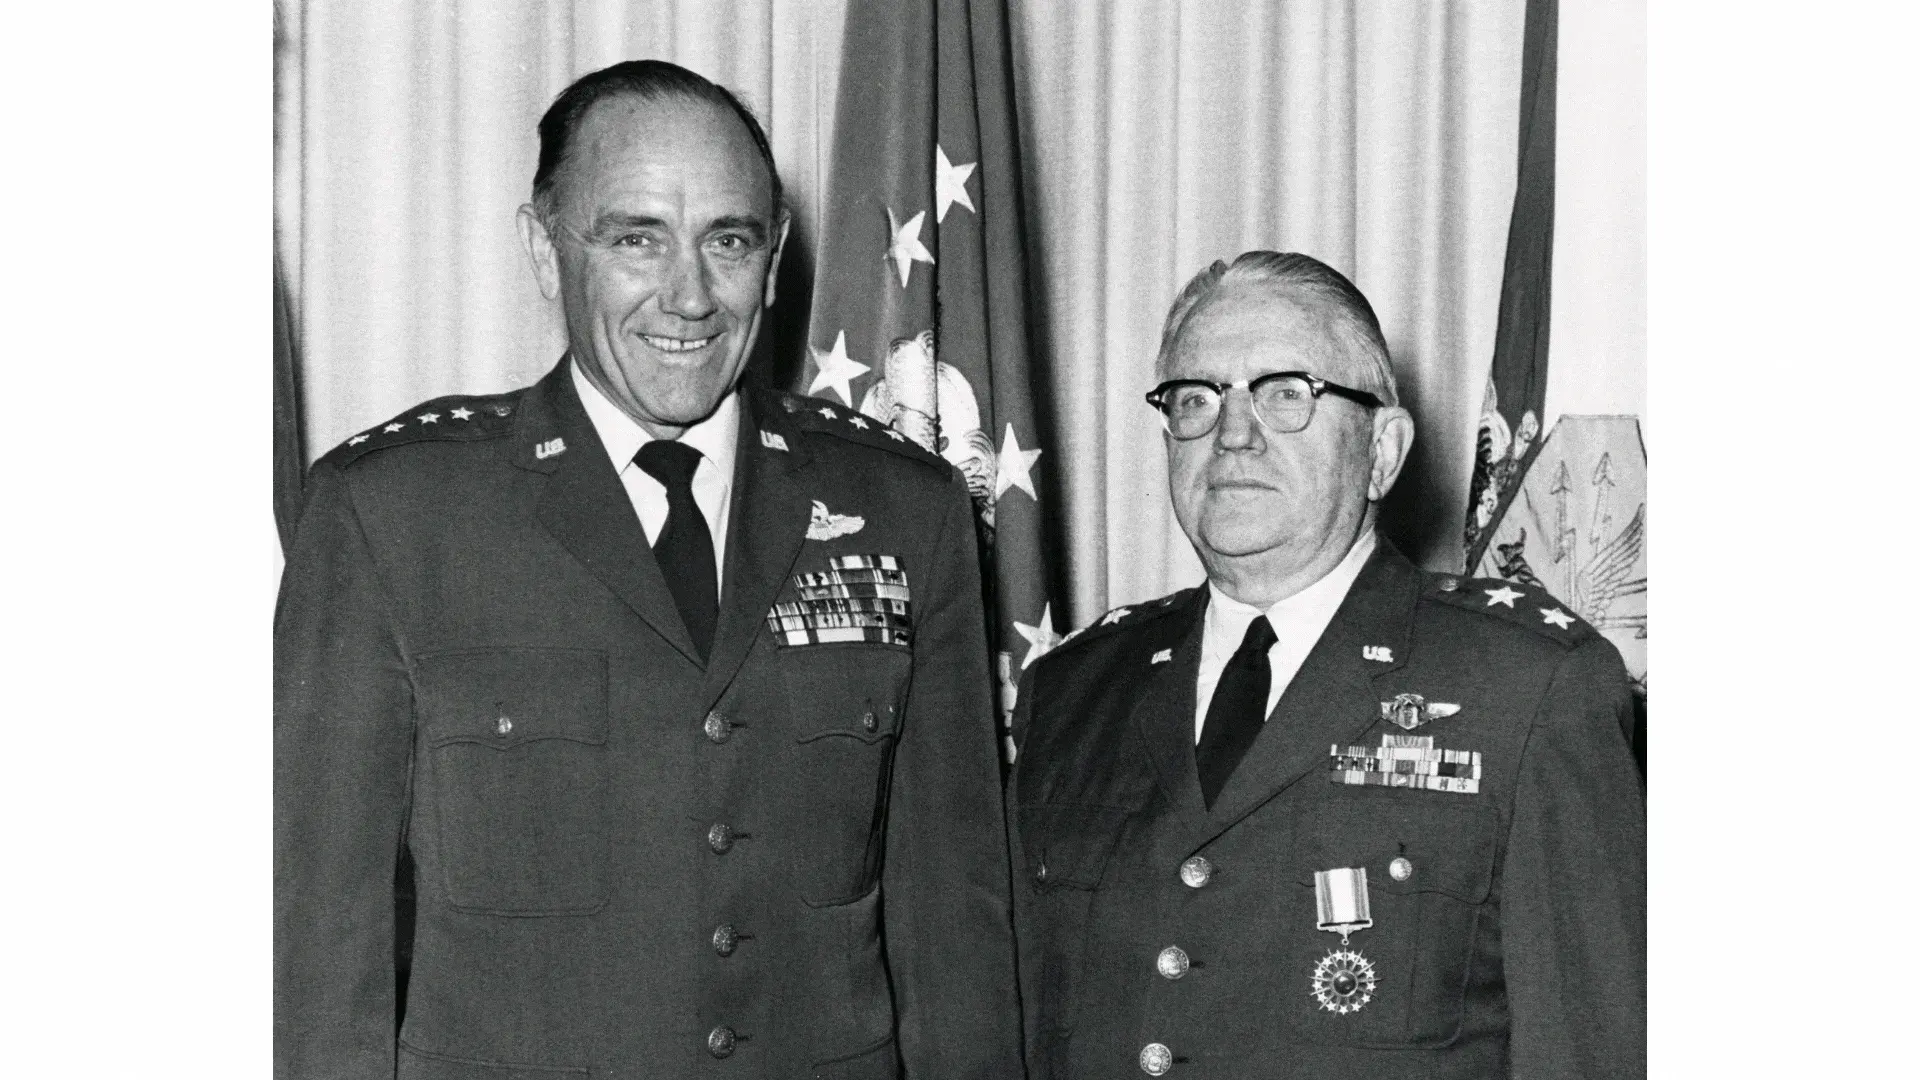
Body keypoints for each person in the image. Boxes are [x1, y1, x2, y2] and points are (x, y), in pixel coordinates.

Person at [275, 60, 1021, 1079]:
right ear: (546, 251)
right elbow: (321, 953)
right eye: (637, 239)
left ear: (775, 256)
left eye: (729, 240)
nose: (689, 296)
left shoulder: (906, 509)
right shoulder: (393, 516)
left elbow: (955, 932)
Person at [1007, 252, 1644, 1078]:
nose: (1233, 434)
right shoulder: (1073, 690)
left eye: (1287, 394)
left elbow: (1594, 1049)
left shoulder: (1526, 686)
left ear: (1383, 451)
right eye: (1195, 400)